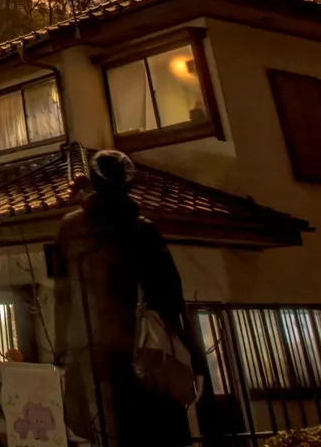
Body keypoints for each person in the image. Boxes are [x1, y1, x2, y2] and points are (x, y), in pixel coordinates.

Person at [52, 149, 203, 447]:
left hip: (90, 348)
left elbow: (61, 293)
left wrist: (60, 348)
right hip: (143, 348)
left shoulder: (71, 228)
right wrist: (190, 346)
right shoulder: (143, 230)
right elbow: (171, 295)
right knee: (154, 427)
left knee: (102, 430)